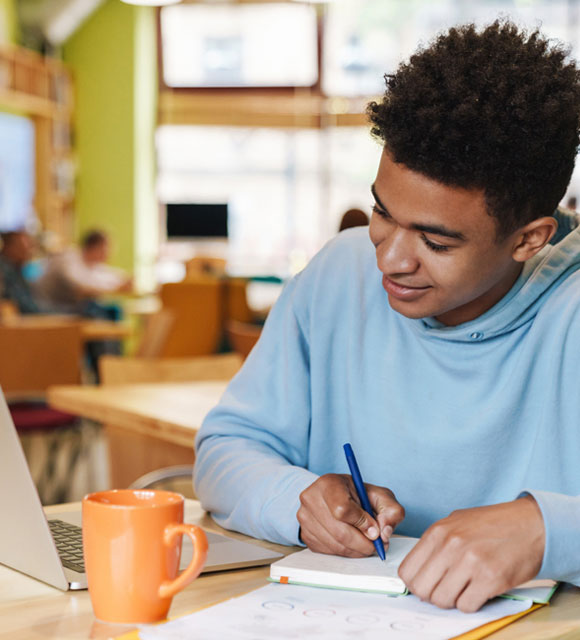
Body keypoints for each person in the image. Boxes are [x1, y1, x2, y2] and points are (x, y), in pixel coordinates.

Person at [194, 21, 580, 613]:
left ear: (528, 240)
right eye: (382, 211)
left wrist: (545, 530)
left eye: (436, 242)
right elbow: (227, 447)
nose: (390, 257)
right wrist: (298, 499)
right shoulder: (338, 275)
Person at [35, 229, 132, 316]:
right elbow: (80, 288)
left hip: (69, 308)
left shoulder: (92, 265)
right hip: (48, 308)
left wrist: (123, 281)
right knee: (100, 313)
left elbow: (108, 275)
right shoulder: (68, 258)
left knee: (113, 311)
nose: (108, 254)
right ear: (93, 247)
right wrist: (116, 287)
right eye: (105, 249)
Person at [0, 230, 44, 314]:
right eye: (23, 247)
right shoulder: (5, 270)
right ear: (9, 247)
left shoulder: (16, 269)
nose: (29, 252)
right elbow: (25, 308)